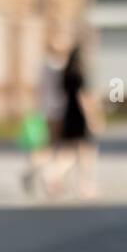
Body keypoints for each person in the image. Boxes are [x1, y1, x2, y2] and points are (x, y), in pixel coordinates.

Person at [44, 45, 101, 200]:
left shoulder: (65, 73)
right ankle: (85, 186)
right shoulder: (80, 74)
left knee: (68, 152)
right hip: (80, 116)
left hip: (67, 114)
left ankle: (53, 175)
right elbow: (84, 98)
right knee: (86, 152)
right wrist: (93, 118)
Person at [22, 36, 69, 197]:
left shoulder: (43, 66)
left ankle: (34, 170)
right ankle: (52, 179)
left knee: (44, 147)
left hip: (45, 110)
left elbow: (38, 90)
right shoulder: (62, 67)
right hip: (60, 111)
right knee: (63, 149)